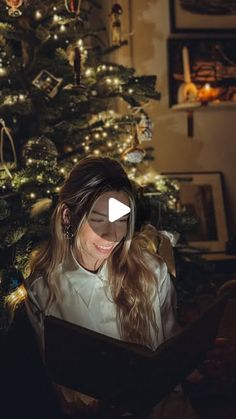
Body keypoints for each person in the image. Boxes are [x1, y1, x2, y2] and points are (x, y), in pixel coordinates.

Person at [23, 156, 199, 418]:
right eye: (99, 219)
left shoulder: (152, 270)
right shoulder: (42, 290)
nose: (112, 234)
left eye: (121, 219)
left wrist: (197, 361)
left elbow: (172, 354)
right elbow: (54, 388)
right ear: (68, 216)